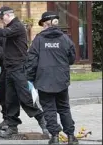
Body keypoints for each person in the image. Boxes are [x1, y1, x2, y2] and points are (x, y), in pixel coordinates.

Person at [0, 6, 48, 137]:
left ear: (8, 15)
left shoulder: (17, 26)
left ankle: (44, 122)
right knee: (10, 100)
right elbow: (2, 40)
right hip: (9, 68)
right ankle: (12, 126)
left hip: (19, 68)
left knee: (25, 99)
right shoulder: (9, 29)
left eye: (1, 18)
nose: (1, 21)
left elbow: (4, 34)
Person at [26, 11, 78, 145]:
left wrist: (29, 78)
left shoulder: (38, 40)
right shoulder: (65, 39)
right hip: (61, 80)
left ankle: (54, 137)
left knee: (49, 109)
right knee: (64, 108)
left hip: (44, 80)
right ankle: (71, 136)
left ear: (45, 24)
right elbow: (72, 58)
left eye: (43, 24)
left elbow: (32, 61)